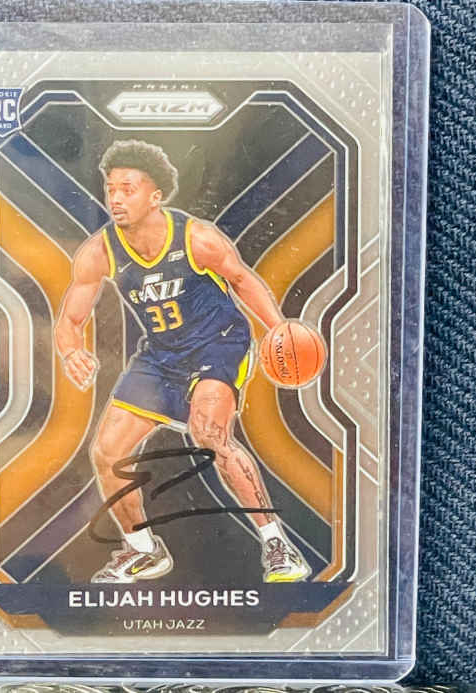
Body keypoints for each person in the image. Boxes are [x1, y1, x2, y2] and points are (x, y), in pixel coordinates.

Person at [54, 139, 309, 583]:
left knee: (208, 432)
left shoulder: (196, 237)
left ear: (155, 196)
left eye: (128, 189)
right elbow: (70, 318)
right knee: (107, 452)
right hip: (161, 354)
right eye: (111, 189)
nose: (115, 198)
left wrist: (278, 328)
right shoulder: (100, 251)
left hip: (218, 343)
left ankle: (276, 544)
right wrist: (71, 349)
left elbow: (241, 280)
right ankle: (144, 551)